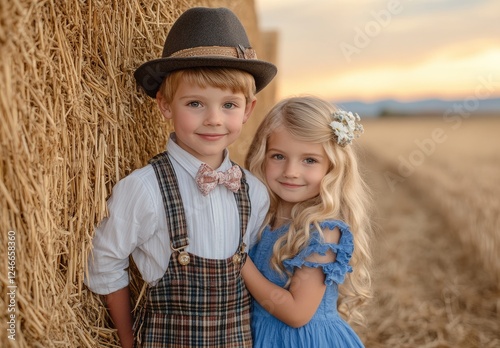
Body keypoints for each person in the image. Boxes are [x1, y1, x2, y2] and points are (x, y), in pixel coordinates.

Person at [84, 7, 277, 348]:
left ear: (248, 110)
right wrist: (128, 340)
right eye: (195, 104)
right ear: (165, 105)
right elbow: (106, 261)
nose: (214, 119)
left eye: (229, 105)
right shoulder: (144, 189)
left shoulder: (255, 193)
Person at [242, 96, 372, 347]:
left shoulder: (324, 232)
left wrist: (239, 261)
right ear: (261, 155)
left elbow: (297, 313)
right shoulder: (260, 219)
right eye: (278, 156)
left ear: (332, 168)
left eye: (309, 160)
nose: (291, 171)